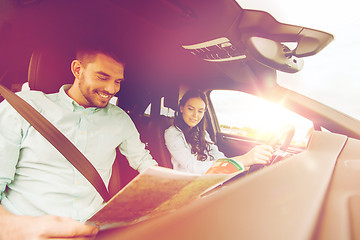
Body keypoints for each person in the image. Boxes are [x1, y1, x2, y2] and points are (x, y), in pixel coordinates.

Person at [0, 44, 158, 239]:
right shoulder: (23, 107)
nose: (111, 89)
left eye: (117, 81)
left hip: (93, 231)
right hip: (26, 231)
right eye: (102, 77)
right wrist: (11, 228)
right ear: (77, 70)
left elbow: (144, 162)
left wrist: (189, 186)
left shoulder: (120, 120)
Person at [164, 89, 274, 175]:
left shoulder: (201, 133)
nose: (195, 115)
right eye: (190, 109)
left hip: (211, 178)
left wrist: (236, 166)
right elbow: (193, 167)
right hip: (190, 185)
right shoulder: (172, 133)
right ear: (182, 108)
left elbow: (217, 156)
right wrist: (244, 159)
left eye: (200, 111)